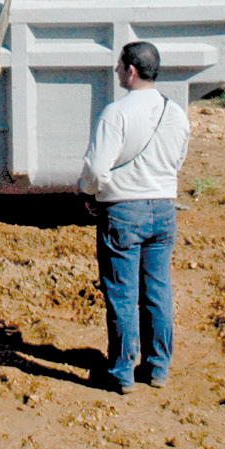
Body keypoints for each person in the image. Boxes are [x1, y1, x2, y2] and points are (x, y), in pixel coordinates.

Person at [78, 40, 190, 394]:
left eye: (119, 66)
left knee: (122, 293)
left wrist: (89, 193)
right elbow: (178, 160)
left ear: (131, 70)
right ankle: (158, 368)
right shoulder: (176, 113)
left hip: (123, 211)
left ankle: (121, 371)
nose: (116, 72)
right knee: (158, 290)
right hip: (164, 209)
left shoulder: (117, 112)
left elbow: (96, 168)